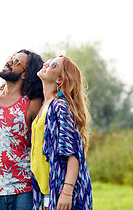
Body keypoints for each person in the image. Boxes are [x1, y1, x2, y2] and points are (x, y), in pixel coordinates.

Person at [0, 50, 44, 210]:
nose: (9, 61)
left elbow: (41, 145)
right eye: (10, 58)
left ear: (25, 74)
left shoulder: (32, 103)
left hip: (24, 187)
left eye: (16, 61)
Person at [31, 56, 93, 210]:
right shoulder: (44, 105)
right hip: (44, 190)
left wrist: (67, 191)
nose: (45, 63)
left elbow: (73, 154)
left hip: (60, 190)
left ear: (60, 79)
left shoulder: (60, 107)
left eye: (52, 65)